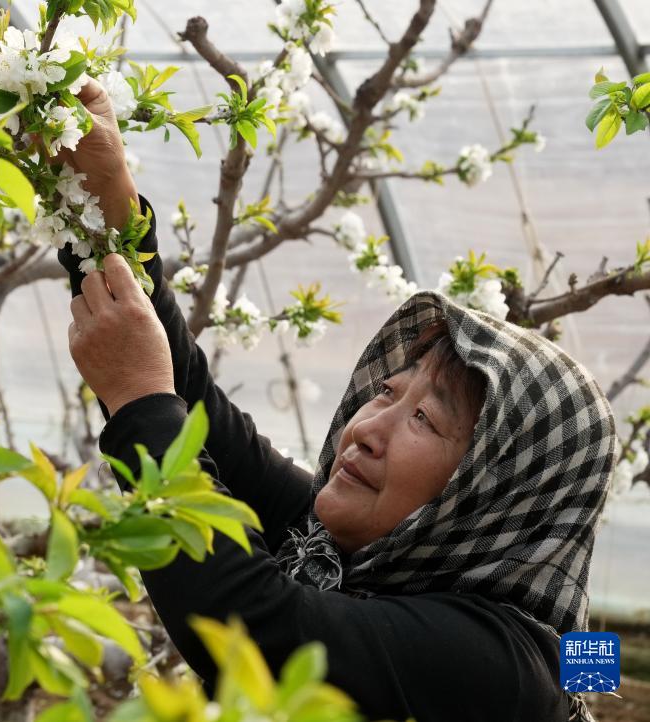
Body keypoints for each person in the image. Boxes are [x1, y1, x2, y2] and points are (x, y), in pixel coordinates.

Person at [56, 79, 618, 722]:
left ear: (498, 491)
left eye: (425, 418)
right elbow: (201, 415)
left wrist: (139, 398)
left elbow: (253, 629)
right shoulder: (342, 547)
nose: (367, 429)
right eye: (387, 392)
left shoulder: (503, 670)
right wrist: (107, 206)